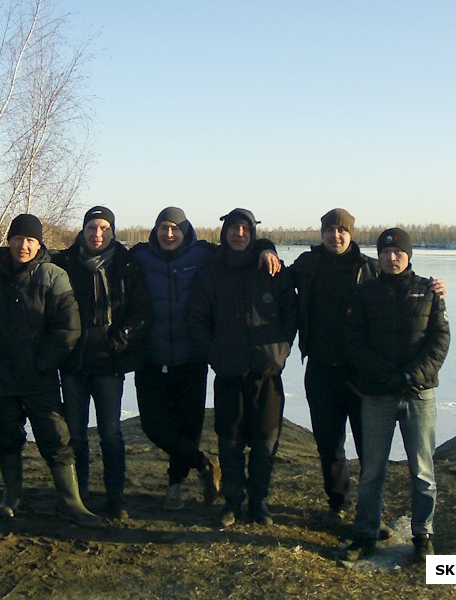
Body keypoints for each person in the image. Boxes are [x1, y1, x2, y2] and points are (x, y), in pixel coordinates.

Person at [289, 208, 445, 532]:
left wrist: (435, 289)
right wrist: (264, 250)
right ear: (322, 234)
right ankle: (338, 502)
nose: (336, 236)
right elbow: (278, 278)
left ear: (351, 234)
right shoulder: (308, 265)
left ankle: (372, 512)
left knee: (368, 446)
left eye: (342, 230)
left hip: (361, 373)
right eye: (330, 230)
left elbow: (399, 291)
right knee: (328, 443)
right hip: (320, 368)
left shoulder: (368, 268)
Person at [129, 207, 282, 512]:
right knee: (153, 425)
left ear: (187, 231)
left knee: (189, 427)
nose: (169, 234)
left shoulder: (203, 255)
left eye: (176, 228)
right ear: (155, 230)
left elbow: (240, 245)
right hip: (151, 355)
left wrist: (267, 247)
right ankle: (202, 463)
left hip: (190, 358)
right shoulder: (140, 257)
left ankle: (175, 486)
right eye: (163, 228)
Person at [343, 227, 450, 563]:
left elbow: (439, 341)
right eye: (385, 253)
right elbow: (354, 342)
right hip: (377, 395)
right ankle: (365, 534)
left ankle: (423, 535)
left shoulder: (428, 291)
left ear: (408, 255)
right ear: (379, 256)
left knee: (422, 470)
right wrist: (383, 375)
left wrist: (409, 375)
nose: (391, 258)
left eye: (398, 252)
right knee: (372, 470)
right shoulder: (365, 293)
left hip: (419, 394)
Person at [0, 214, 103, 529]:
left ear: (39, 244)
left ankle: (70, 501)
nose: (23, 246)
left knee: (56, 437)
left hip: (40, 376)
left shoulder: (53, 275)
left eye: (30, 240)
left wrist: (43, 363)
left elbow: (69, 329)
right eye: (17, 239)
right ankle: (12, 493)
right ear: (8, 240)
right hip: (2, 375)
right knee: (7, 436)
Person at [189, 208, 298, 527]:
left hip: (267, 371)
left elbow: (290, 310)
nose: (239, 234)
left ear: (252, 234)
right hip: (228, 372)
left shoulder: (270, 269)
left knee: (266, 441)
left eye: (245, 229)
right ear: (225, 233)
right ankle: (233, 502)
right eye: (233, 229)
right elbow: (198, 318)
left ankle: (259, 501)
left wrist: (281, 349)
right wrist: (214, 354)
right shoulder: (211, 273)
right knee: (230, 441)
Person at [51, 206, 150, 520]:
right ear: (83, 231)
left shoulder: (127, 265)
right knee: (76, 434)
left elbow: (141, 311)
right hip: (74, 362)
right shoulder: (64, 263)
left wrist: (121, 337)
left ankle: (115, 496)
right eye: (92, 228)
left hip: (109, 362)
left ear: (113, 232)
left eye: (104, 228)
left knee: (110, 434)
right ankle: (79, 496)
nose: (97, 235)